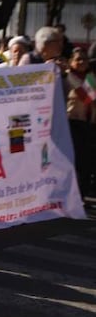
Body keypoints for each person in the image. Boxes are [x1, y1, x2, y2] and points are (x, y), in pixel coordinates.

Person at [64, 48, 95, 203]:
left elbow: (89, 98)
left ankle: (81, 195)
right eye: (78, 59)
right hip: (70, 124)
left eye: (84, 59)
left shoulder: (90, 78)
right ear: (71, 61)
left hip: (87, 125)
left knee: (85, 162)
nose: (82, 62)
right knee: (70, 161)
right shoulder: (63, 78)